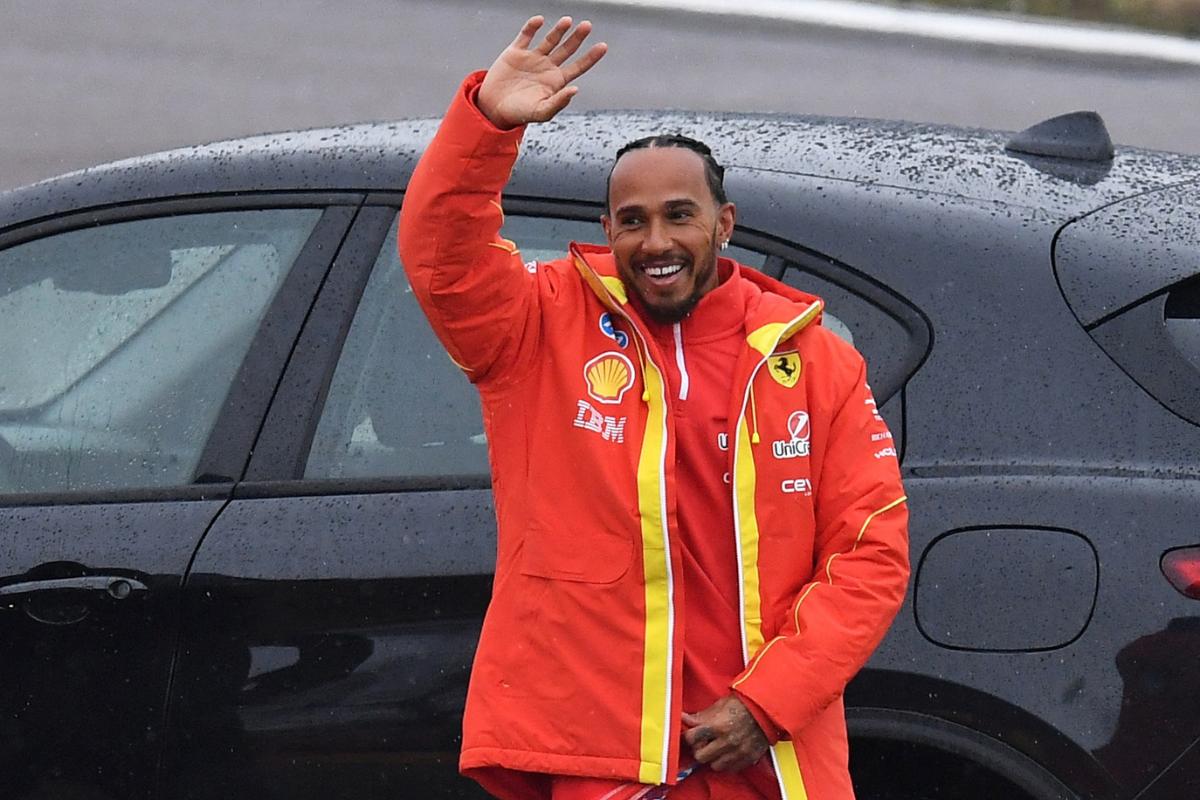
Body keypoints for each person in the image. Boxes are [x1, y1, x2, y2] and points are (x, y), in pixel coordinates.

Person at [398, 15, 910, 800]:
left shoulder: (816, 363)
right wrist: (487, 124)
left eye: (679, 214)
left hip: (767, 760)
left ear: (723, 226)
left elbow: (870, 553)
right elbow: (441, 258)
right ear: (607, 231)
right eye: (632, 221)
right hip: (602, 762)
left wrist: (765, 704)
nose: (656, 240)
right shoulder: (540, 327)